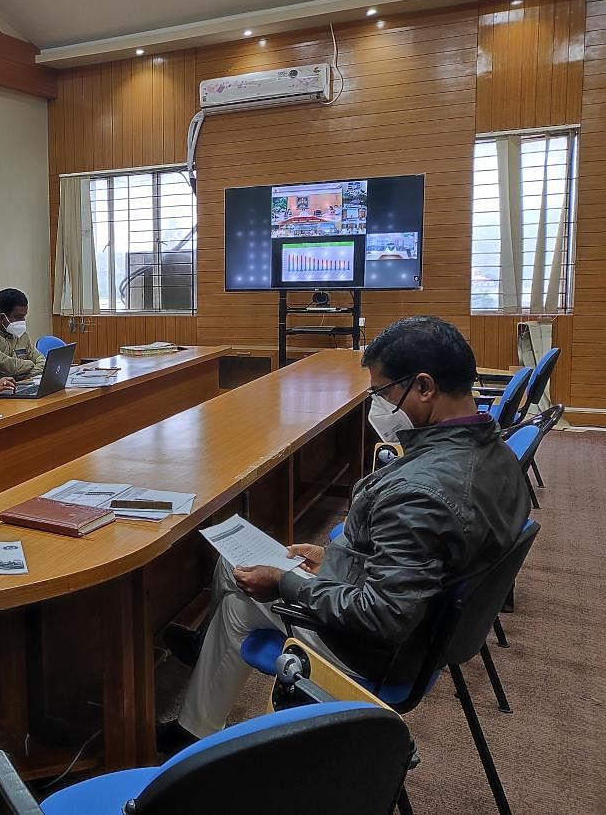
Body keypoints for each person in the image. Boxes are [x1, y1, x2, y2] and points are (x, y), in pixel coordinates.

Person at [165, 316, 531, 746]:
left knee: (238, 603)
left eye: (382, 392)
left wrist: (286, 584)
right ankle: (203, 665)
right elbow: (429, 555)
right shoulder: (498, 453)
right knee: (235, 570)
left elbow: (381, 617)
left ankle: (193, 731)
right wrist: (339, 558)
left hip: (380, 651)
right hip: (425, 621)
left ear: (425, 387)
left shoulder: (419, 492)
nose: (379, 404)